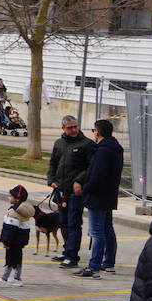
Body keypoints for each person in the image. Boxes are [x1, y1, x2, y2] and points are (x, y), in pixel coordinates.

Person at [48, 115, 95, 269]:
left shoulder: (87, 144)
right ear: (63, 128)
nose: (74, 130)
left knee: (74, 223)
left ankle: (71, 256)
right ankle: (68, 250)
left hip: (76, 191)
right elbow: (53, 164)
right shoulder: (59, 143)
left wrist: (79, 180)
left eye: (76, 126)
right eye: (70, 127)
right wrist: (51, 180)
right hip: (60, 190)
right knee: (63, 222)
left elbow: (91, 166)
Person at [79, 117, 124, 278]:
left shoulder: (103, 150)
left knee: (96, 232)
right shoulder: (115, 148)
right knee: (107, 229)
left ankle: (94, 267)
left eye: (93, 130)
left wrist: (86, 189)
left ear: (97, 132)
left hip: (98, 196)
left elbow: (97, 175)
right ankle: (108, 264)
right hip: (109, 195)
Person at [0, 185, 33, 289]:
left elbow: (11, 229)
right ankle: (17, 278)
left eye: (10, 196)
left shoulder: (14, 212)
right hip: (20, 241)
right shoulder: (24, 210)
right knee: (17, 259)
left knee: (9, 259)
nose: (8, 198)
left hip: (13, 241)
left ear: (17, 198)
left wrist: (7, 242)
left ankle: (3, 279)